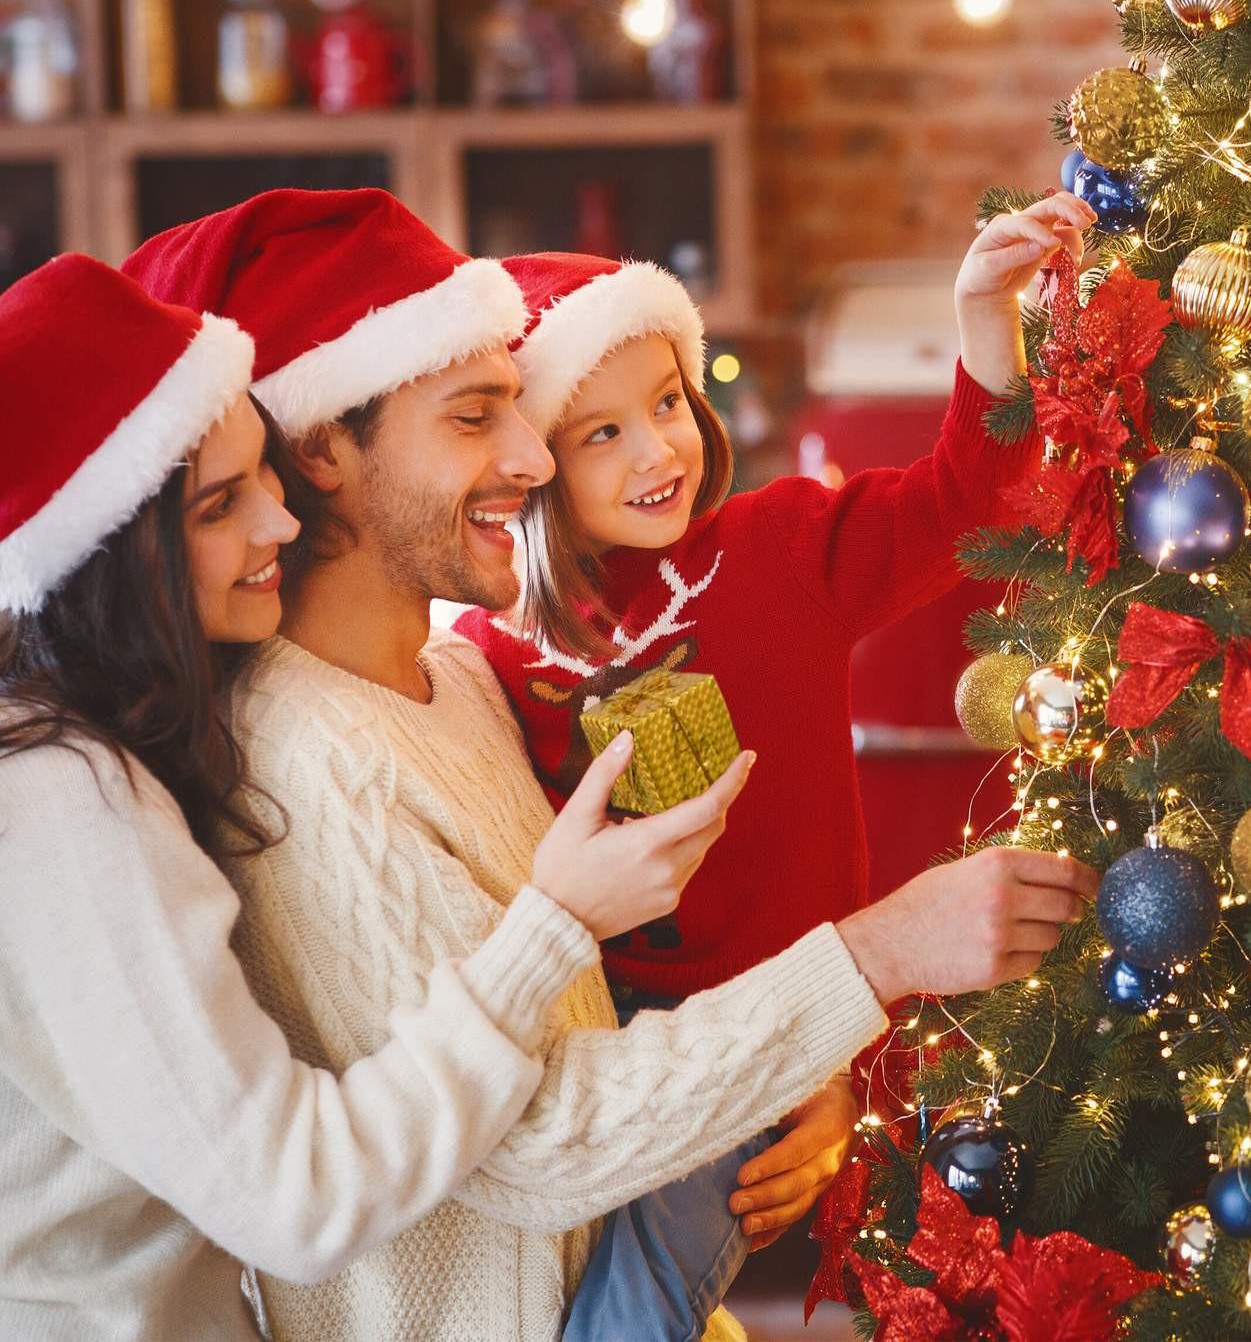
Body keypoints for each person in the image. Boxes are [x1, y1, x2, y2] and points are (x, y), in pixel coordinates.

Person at [126, 186, 1100, 1342]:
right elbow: (542, 1144)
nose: (530, 456)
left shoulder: (460, 683)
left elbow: (592, 1040)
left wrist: (809, 1064)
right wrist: (869, 962)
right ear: (328, 445)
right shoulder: (333, 760)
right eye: (478, 414)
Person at [0, 254, 741, 1342]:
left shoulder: (136, 746)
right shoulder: (66, 803)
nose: (282, 525)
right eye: (219, 506)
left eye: (265, 480)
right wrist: (558, 925)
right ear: (115, 559)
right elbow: (298, 1194)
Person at [457, 192, 1095, 1244]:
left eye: (667, 403)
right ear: (531, 463)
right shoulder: (493, 654)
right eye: (601, 433)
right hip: (616, 1071)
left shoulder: (780, 549)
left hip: (808, 1032)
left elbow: (960, 506)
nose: (657, 453)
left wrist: (985, 316)